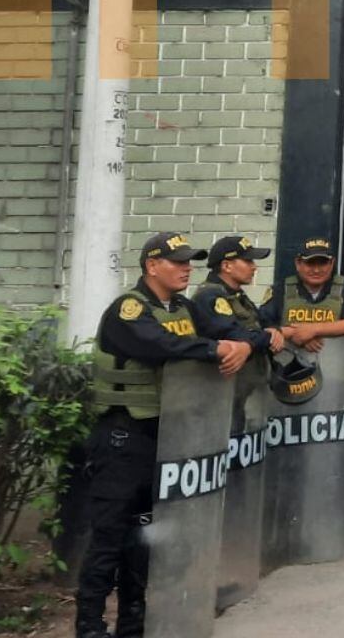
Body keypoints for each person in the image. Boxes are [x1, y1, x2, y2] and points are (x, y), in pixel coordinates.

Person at [77, 233, 253, 638]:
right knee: (110, 536)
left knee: (145, 537)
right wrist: (217, 351)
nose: (186, 267)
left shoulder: (184, 307)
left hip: (166, 438)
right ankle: (89, 626)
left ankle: (133, 623)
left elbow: (231, 327)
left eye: (189, 261)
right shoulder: (129, 309)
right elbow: (163, 345)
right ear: (151, 266)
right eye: (177, 261)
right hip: (123, 439)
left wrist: (243, 345)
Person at [261, 236, 344, 351]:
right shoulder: (281, 289)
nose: (316, 270)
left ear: (332, 263)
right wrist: (295, 335)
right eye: (310, 263)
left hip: (333, 361)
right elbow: (262, 326)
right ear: (298, 263)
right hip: (287, 364)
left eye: (322, 263)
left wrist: (313, 330)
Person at [191, 235, 285, 356]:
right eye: (248, 261)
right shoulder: (208, 296)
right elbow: (232, 334)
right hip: (224, 373)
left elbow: (261, 321)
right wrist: (269, 337)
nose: (254, 267)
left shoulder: (235, 294)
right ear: (226, 266)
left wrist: (274, 330)